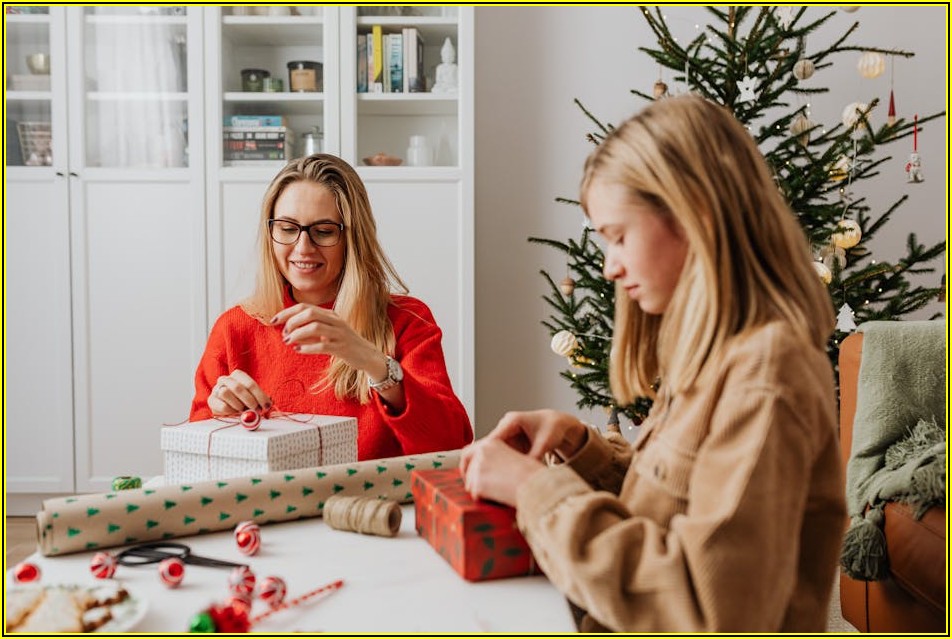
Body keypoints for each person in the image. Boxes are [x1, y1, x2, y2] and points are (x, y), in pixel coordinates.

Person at [460, 95, 846, 632]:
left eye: (619, 237)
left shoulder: (766, 375)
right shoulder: (714, 354)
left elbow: (710, 608)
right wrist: (584, 451)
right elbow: (675, 512)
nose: (609, 266)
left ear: (695, 216)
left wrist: (535, 490)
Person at [190, 153, 473, 460]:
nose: (303, 248)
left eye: (323, 231)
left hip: (371, 507)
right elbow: (197, 460)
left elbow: (451, 446)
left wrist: (372, 361)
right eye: (287, 228)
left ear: (353, 239)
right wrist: (221, 418)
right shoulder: (235, 328)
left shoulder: (407, 321)